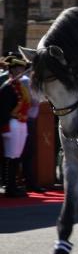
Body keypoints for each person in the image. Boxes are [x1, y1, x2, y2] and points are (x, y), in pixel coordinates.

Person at [0, 54, 31, 197]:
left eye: (21, 69)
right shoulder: (7, 87)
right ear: (11, 71)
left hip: (21, 123)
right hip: (12, 124)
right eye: (18, 69)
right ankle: (9, 186)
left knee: (17, 156)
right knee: (11, 156)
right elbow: (3, 110)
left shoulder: (19, 86)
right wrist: (5, 128)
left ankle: (13, 185)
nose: (21, 72)